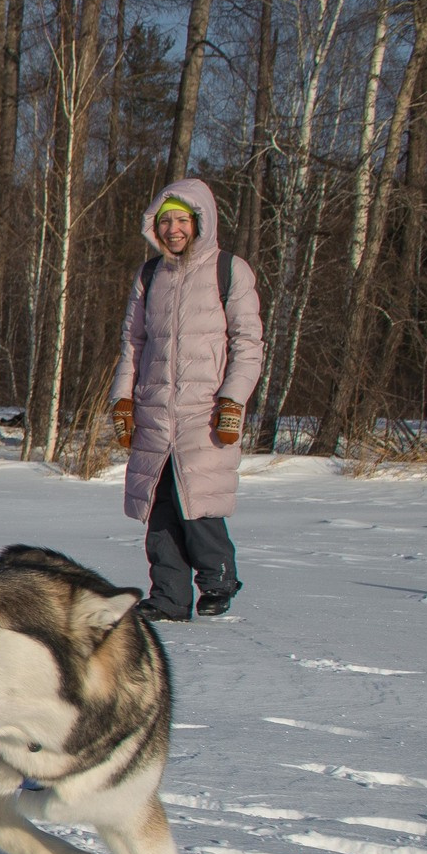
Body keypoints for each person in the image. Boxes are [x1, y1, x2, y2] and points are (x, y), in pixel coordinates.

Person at [111, 178, 264, 621]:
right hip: (155, 409)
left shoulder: (229, 271)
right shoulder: (148, 276)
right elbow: (133, 344)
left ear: (199, 222)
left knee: (197, 500)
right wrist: (123, 401)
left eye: (181, 219)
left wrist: (233, 401)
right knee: (158, 507)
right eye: (165, 221)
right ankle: (169, 598)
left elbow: (248, 343)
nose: (173, 229)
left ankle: (217, 583)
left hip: (206, 409)